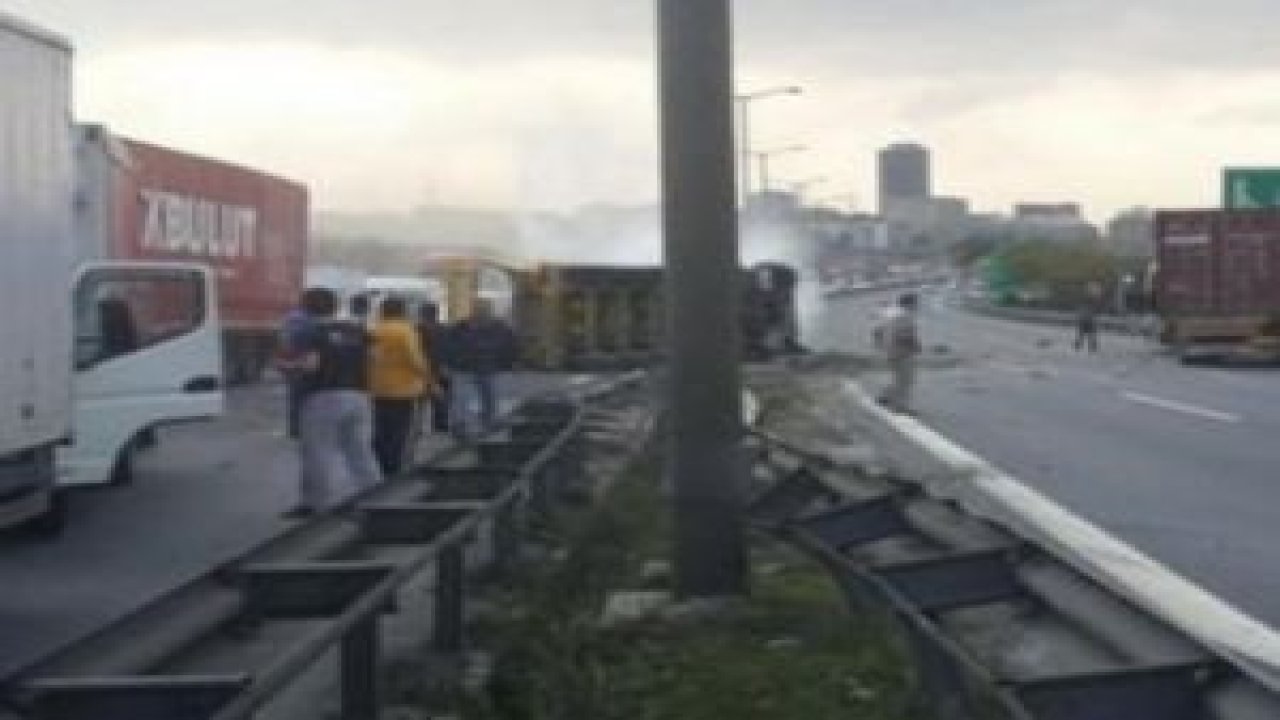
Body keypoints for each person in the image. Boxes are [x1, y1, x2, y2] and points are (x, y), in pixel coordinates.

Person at [279, 287, 383, 518]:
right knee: (360, 451)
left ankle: (317, 505)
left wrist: (287, 367)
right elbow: (376, 357)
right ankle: (377, 497)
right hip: (358, 396)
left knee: (318, 453)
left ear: (305, 306)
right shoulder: (356, 330)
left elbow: (310, 366)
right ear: (334, 306)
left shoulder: (310, 332)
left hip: (322, 397)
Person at [369, 296, 436, 476]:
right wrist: (430, 381)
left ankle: (380, 465)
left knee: (380, 430)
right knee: (401, 432)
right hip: (404, 389)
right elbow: (415, 360)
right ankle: (395, 470)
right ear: (403, 311)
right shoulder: (406, 331)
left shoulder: (374, 330)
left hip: (377, 388)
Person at [449, 299, 518, 436]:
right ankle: (462, 424)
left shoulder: (499, 328)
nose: (481, 312)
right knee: (464, 397)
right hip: (468, 368)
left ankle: (486, 422)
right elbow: (450, 346)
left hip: (485, 367)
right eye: (479, 309)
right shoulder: (462, 327)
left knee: (488, 397)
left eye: (484, 309)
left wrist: (509, 362)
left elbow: (509, 346)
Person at [876, 293, 922, 413]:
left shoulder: (890, 313)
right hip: (901, 352)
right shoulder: (904, 316)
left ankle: (885, 397)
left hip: (889, 350)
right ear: (910, 304)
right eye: (916, 303)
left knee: (897, 378)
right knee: (905, 380)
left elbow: (878, 331)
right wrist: (916, 346)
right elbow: (904, 335)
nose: (917, 306)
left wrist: (882, 346)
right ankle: (900, 406)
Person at [416, 302, 452, 433]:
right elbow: (449, 349)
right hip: (440, 368)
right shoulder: (445, 330)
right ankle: (440, 425)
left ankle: (418, 426)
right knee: (440, 399)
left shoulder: (416, 330)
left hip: (421, 369)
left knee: (420, 400)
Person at [277, 306, 313, 439]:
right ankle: (304, 428)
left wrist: (282, 363)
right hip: (304, 364)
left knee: (294, 398)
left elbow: (283, 342)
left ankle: (294, 429)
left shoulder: (290, 320)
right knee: (306, 398)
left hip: (292, 364)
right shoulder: (310, 322)